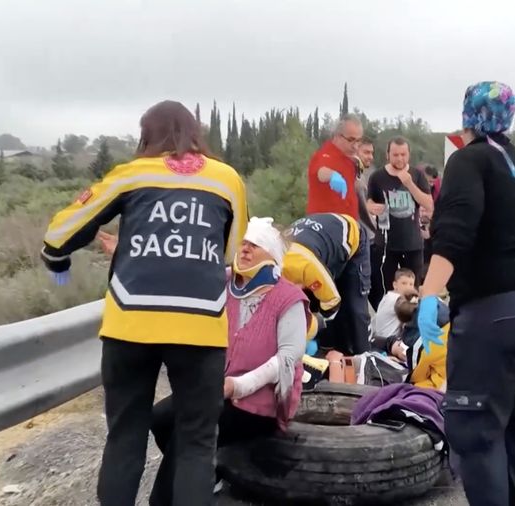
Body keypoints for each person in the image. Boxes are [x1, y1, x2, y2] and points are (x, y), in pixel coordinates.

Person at [40, 100, 248, 506]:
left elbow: (59, 233)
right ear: (195, 132)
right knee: (196, 443)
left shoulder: (131, 175)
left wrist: (58, 262)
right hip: (200, 325)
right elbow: (233, 251)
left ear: (146, 135)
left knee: (126, 435)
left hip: (130, 324)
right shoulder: (227, 180)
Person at [419, 81, 515, 506]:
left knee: (477, 432)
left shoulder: (470, 159)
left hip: (501, 312)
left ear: (467, 115)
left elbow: (455, 231)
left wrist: (430, 294)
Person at [148, 217, 309, 504]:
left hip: (261, 405)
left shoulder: (289, 299)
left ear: (273, 255)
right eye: (245, 242)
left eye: (256, 245)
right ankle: (205, 474)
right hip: (217, 391)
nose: (245, 249)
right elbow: (185, 279)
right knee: (160, 419)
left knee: (188, 433)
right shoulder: (224, 282)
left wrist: (237, 386)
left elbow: (287, 359)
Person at [282, 212, 371, 356]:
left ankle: (365, 360)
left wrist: (316, 325)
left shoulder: (306, 266)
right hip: (318, 243)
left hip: (350, 236)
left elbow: (332, 302)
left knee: (354, 309)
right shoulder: (264, 275)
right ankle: (329, 353)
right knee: (309, 304)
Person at [367, 137, 433, 307]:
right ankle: (391, 324)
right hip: (387, 244)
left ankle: (412, 324)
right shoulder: (377, 177)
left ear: (409, 155)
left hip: (412, 243)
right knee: (389, 291)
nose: (400, 159)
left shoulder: (417, 175)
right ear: (388, 155)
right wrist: (373, 207)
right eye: (395, 155)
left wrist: (409, 184)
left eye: (403, 154)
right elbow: (368, 202)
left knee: (413, 290)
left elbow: (428, 203)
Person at [306, 114, 363, 218]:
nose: (355, 146)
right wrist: (332, 175)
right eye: (351, 140)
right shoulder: (325, 154)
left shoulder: (349, 159)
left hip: (347, 225)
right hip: (325, 226)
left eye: (358, 141)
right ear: (337, 136)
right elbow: (321, 172)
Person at [372, 268, 416, 340]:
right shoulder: (396, 299)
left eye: (411, 284)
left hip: (378, 337)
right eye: (404, 283)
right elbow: (415, 309)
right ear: (395, 285)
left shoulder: (388, 296)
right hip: (388, 340)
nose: (408, 287)